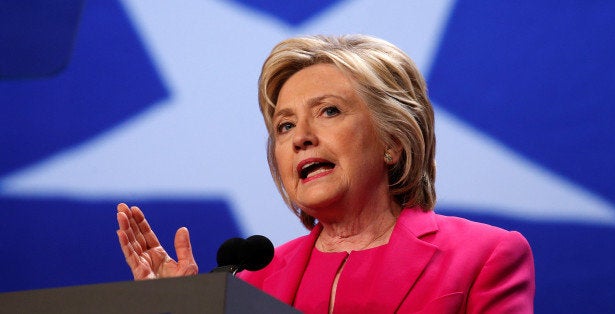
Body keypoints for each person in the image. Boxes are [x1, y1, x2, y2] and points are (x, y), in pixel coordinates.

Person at [116, 34, 535, 313]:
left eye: (329, 111)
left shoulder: (483, 257)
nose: (301, 137)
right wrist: (180, 308)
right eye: (284, 126)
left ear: (393, 139)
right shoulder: (250, 283)